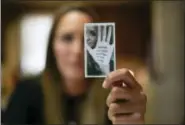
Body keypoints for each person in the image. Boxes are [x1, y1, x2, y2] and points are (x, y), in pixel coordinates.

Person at [4, 5, 147, 124]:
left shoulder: (114, 98)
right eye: (67, 38)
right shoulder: (25, 93)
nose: (78, 50)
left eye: (89, 40)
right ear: (52, 47)